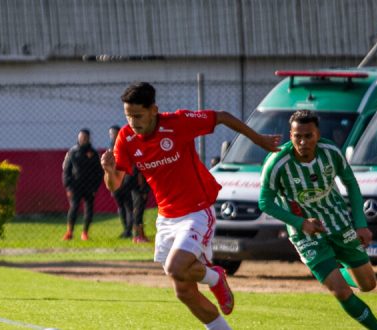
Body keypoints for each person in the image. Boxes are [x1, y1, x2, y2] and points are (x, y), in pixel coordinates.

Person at [101, 82, 280, 330]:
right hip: (166, 217)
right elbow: (114, 184)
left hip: (196, 211)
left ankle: (215, 276)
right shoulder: (126, 138)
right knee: (183, 291)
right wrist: (109, 170)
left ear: (154, 110)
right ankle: (217, 296)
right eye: (128, 116)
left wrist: (259, 140)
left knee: (176, 268)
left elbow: (222, 117)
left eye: (138, 115)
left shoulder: (178, 123)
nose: (132, 122)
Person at [259, 110, 377, 329]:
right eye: (297, 136)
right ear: (290, 135)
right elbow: (265, 203)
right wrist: (301, 223)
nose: (303, 141)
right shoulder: (277, 162)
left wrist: (361, 224)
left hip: (338, 222)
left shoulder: (331, 152)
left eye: (308, 136)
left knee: (368, 285)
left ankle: (339, 270)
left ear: (318, 134)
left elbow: (351, 185)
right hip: (304, 234)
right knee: (341, 292)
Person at [62, 128, 104, 241]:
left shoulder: (94, 153)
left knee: (89, 209)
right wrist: (68, 186)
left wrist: (95, 187)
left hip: (89, 187)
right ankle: (69, 232)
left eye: (85, 137)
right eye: (81, 137)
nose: (82, 139)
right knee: (74, 208)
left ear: (89, 139)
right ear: (78, 138)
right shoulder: (72, 152)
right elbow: (66, 171)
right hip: (75, 187)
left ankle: (85, 233)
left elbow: (99, 172)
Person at [108, 125, 135, 238]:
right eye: (110, 134)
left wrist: (127, 180)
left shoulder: (127, 145)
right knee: (120, 206)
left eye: (114, 133)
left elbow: (133, 164)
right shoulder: (110, 148)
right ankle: (126, 230)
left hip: (127, 181)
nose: (112, 136)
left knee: (129, 206)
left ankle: (129, 230)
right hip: (116, 183)